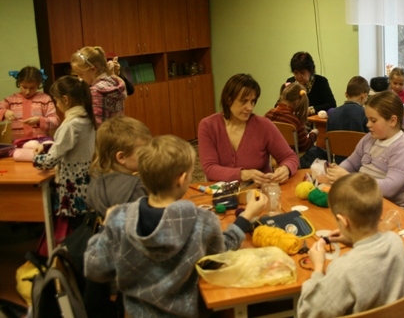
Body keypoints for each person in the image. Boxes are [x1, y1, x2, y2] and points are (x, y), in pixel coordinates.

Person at [84, 135, 268, 317]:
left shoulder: (118, 220)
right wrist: (246, 217)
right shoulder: (202, 221)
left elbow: (95, 268)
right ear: (182, 179)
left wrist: (105, 226)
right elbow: (218, 258)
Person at [297, 172, 404, 318]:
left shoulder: (343, 269)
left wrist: (318, 268)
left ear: (344, 221)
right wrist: (354, 240)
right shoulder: (396, 242)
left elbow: (307, 312)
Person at [83, 116, 152, 318]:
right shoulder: (136, 189)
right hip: (134, 273)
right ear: (121, 157)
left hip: (106, 270)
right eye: (144, 151)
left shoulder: (96, 183)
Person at [326, 90, 404, 209]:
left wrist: (350, 179)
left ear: (392, 121)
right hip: (364, 200)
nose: (368, 124)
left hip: (389, 209)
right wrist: (338, 170)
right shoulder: (369, 138)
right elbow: (351, 163)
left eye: (373, 120)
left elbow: (389, 188)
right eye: (368, 119)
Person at [198, 73, 299, 184]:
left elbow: (290, 157)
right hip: (221, 192)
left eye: (253, 101)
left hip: (260, 190)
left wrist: (286, 168)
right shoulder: (208, 126)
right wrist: (243, 174)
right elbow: (209, 168)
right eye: (243, 101)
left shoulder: (264, 126)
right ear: (228, 99)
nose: (250, 107)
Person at [34, 76, 97, 218]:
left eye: (56, 100)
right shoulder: (87, 119)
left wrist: (34, 158)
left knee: (77, 224)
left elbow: (50, 161)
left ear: (65, 100)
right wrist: (47, 147)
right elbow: (69, 146)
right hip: (88, 181)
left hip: (74, 186)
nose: (57, 105)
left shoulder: (71, 125)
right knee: (86, 222)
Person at [265, 82, 325, 168]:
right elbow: (305, 146)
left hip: (273, 158)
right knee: (324, 153)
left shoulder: (269, 114)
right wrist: (313, 134)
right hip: (297, 159)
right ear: (298, 102)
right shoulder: (295, 121)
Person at [70, 46, 126, 126]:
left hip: (105, 133)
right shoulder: (113, 82)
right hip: (118, 130)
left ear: (93, 69)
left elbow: (98, 124)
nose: (79, 78)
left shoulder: (96, 91)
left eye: (81, 74)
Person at [0, 66, 59, 140]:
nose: (28, 92)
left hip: (41, 143)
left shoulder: (45, 99)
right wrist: (5, 112)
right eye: (24, 87)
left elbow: (55, 122)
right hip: (19, 143)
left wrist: (39, 120)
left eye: (32, 88)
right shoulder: (11, 100)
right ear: (19, 83)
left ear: (38, 85)